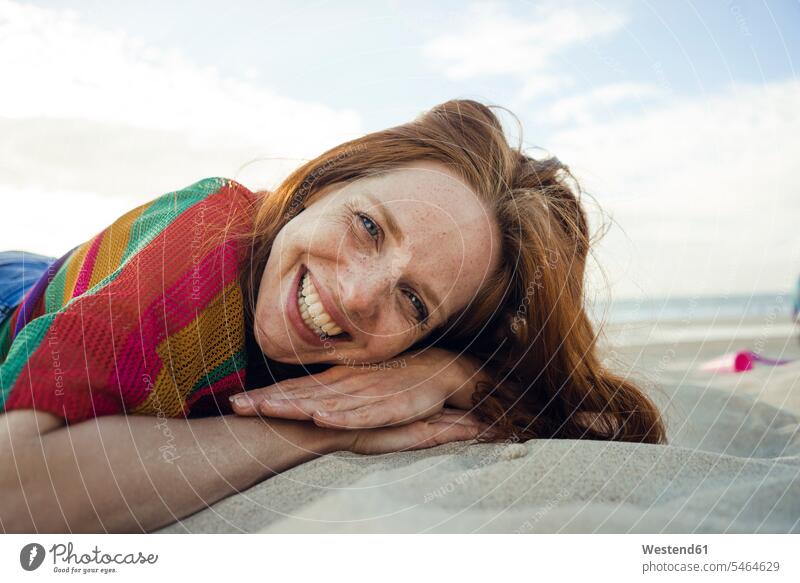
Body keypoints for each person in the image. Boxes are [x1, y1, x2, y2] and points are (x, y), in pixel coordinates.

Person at [0, 99, 667, 533]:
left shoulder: (413, 355)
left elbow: (600, 419)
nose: (355, 293)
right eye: (369, 226)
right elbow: (14, 496)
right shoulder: (203, 242)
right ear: (321, 185)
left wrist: (444, 374)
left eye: (413, 300)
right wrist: (312, 433)